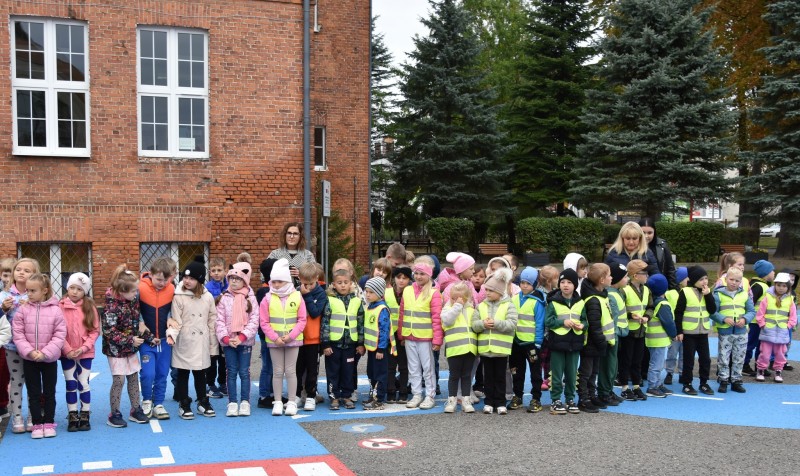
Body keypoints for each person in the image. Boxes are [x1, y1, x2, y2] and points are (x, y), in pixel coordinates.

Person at [12, 273, 66, 438]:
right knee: (33, 392)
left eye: (33, 290)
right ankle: (36, 424)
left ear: (44, 290)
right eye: (27, 290)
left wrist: (45, 353)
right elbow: (18, 334)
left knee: (49, 392)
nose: (29, 293)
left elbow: (60, 334)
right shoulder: (23, 310)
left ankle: (49, 422)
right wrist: (29, 351)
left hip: (49, 359)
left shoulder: (56, 310)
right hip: (30, 359)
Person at [102, 265, 153, 428]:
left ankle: (135, 409)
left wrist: (150, 338)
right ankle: (114, 413)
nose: (136, 294)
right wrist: (130, 339)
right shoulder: (111, 307)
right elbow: (109, 331)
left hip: (130, 349)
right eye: (132, 291)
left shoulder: (132, 302)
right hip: (115, 350)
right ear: (122, 291)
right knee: (119, 380)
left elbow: (137, 323)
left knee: (133, 377)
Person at [167, 260, 218, 420]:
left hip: (201, 341)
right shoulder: (179, 297)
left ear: (200, 280)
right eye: (185, 277)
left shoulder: (208, 297)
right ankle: (184, 402)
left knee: (200, 373)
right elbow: (176, 320)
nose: (187, 281)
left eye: (192, 278)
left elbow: (212, 320)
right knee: (182, 372)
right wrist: (171, 335)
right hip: (184, 340)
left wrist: (213, 345)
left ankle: (203, 401)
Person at [260, 259, 307, 416]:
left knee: (291, 371)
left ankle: (292, 401)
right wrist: (275, 338)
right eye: (274, 281)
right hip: (275, 342)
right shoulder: (267, 298)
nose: (277, 284)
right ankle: (278, 402)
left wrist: (291, 336)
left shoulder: (297, 296)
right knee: (278, 371)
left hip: (293, 341)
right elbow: (264, 322)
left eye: (280, 281)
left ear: (287, 280)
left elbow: (302, 320)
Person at [1, 257, 40, 433]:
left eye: (27, 270)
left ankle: (34, 415)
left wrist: (31, 307)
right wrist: (3, 309)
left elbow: (44, 317)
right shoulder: (4, 295)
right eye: (19, 269)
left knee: (33, 382)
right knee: (16, 382)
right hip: (12, 347)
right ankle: (17, 417)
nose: (22, 272)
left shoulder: (36, 294)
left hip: (33, 347)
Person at [216, 262, 260, 417]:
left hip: (244, 342)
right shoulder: (224, 298)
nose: (233, 281)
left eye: (237, 278)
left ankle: (245, 402)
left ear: (244, 281)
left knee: (244, 372)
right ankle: (233, 402)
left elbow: (254, 320)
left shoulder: (251, 298)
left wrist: (242, 337)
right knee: (231, 371)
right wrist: (227, 339)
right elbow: (219, 321)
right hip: (229, 343)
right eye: (231, 278)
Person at [399, 256, 443, 410]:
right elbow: (402, 313)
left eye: (422, 273)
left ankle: (429, 395)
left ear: (429, 275)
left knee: (428, 368)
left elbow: (437, 318)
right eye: (416, 273)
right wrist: (402, 334)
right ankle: (416, 393)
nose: (418, 276)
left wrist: (437, 340)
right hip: (410, 336)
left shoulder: (433, 293)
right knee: (413, 368)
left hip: (425, 338)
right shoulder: (408, 290)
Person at [472, 268, 516, 415]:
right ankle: (489, 402)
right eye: (486, 290)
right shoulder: (481, 306)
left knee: (501, 377)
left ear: (500, 291)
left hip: (501, 350)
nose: (487, 293)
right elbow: (474, 325)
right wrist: (483, 324)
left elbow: (512, 325)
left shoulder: (508, 305)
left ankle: (501, 402)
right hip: (485, 349)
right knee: (488, 378)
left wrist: (496, 323)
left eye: (491, 290)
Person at [59, 272, 99, 431]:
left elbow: (94, 331)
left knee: (83, 384)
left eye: (79, 289)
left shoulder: (90, 307)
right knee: (70, 384)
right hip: (66, 353)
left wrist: (83, 348)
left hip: (85, 353)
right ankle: (72, 414)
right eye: (72, 288)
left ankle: (85, 414)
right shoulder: (59, 306)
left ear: (85, 291)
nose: (75, 292)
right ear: (67, 288)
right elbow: (57, 330)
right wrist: (67, 349)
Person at [321, 266, 364, 410]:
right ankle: (334, 396)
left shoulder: (357, 301)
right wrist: (325, 344)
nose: (343, 285)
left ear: (351, 283)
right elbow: (325, 322)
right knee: (333, 371)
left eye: (346, 282)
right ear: (333, 284)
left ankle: (347, 395)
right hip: (334, 344)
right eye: (339, 282)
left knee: (348, 371)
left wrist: (360, 343)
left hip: (351, 344)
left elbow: (360, 323)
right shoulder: (330, 300)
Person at [138, 257, 175, 420]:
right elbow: (134, 310)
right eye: (158, 279)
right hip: (147, 341)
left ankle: (158, 403)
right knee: (148, 374)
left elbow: (174, 311)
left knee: (162, 373)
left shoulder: (172, 289)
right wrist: (141, 326)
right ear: (151, 274)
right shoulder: (140, 288)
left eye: (165, 280)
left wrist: (171, 320)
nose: (162, 283)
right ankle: (146, 400)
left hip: (165, 341)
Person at [545, 269, 585, 415]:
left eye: (569, 282)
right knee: (556, 373)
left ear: (575, 285)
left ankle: (570, 398)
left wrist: (583, 325)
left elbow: (585, 320)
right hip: (558, 343)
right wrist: (562, 322)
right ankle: (556, 399)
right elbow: (548, 321)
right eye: (562, 282)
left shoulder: (580, 302)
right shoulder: (553, 302)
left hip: (574, 343)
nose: (565, 285)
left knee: (572, 373)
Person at [711, 266, 754, 393]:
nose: (734, 283)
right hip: (725, 332)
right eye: (731, 279)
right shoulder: (718, 294)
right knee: (724, 357)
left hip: (741, 332)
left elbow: (751, 311)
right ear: (725, 279)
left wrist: (745, 319)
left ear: (741, 282)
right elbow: (713, 311)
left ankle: (736, 380)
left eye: (737, 280)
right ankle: (723, 379)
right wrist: (723, 319)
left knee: (739, 357)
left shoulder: (744, 295)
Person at [509, 267, 546, 413]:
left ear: (534, 285)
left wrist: (537, 342)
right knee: (516, 371)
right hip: (516, 342)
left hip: (531, 344)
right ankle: (517, 396)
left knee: (535, 373)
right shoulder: (514, 298)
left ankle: (536, 398)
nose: (524, 286)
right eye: (522, 282)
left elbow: (540, 323)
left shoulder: (538, 301)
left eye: (528, 283)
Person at [675, 266, 716, 395]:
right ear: (693, 280)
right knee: (689, 360)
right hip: (689, 333)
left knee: (705, 359)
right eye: (701, 279)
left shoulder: (707, 292)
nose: (704, 282)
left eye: (706, 278)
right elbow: (678, 313)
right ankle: (687, 384)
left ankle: (704, 383)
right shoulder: (685, 292)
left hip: (702, 332)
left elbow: (712, 310)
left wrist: (708, 295)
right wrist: (679, 331)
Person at [577, 264, 612, 413]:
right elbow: (594, 325)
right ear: (602, 280)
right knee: (586, 372)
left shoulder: (601, 295)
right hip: (591, 343)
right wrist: (601, 342)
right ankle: (583, 399)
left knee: (594, 372)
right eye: (609, 275)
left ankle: (591, 395)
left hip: (598, 343)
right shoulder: (593, 300)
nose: (612, 278)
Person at [441, 282, 477, 413]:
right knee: (454, 376)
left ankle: (466, 401)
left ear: (467, 298)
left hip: (469, 349)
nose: (456, 301)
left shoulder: (472, 311)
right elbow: (447, 320)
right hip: (454, 349)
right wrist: (457, 306)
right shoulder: (447, 310)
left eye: (460, 298)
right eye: (454, 298)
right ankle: (452, 401)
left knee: (466, 376)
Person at [618, 259, 652, 401]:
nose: (647, 276)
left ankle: (636, 386)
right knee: (626, 359)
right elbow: (619, 309)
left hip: (641, 330)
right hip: (629, 331)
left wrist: (646, 317)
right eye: (644, 273)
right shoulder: (624, 290)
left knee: (638, 360)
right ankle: (625, 387)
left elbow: (650, 307)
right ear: (635, 275)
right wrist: (630, 315)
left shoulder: (647, 290)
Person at [755, 272, 797, 383]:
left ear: (788, 287)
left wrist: (789, 326)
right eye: (779, 285)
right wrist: (762, 324)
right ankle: (761, 370)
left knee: (780, 353)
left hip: (782, 331)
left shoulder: (790, 300)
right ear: (775, 285)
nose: (781, 288)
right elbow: (760, 313)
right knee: (765, 353)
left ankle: (778, 371)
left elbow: (793, 316)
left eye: (784, 286)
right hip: (768, 330)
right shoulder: (767, 297)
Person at [296, 262, 326, 411]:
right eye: (305, 284)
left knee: (312, 370)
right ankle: (296, 395)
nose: (307, 287)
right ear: (300, 279)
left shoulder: (320, 294)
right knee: (298, 369)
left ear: (316, 278)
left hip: (313, 339)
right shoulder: (296, 291)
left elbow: (315, 312)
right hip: (298, 337)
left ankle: (310, 396)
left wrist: (306, 295)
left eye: (311, 283)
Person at [598, 263, 629, 407]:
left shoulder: (617, 293)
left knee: (613, 366)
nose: (627, 279)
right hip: (611, 336)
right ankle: (604, 392)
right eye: (625, 276)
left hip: (616, 335)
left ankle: (608, 390)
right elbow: (612, 319)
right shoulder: (610, 295)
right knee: (608, 366)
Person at [362, 277, 394, 410]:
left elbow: (384, 330)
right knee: (371, 372)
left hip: (379, 350)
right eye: (366, 291)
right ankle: (373, 396)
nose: (367, 295)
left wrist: (381, 349)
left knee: (380, 373)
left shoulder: (382, 309)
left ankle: (379, 399)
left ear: (380, 293)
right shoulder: (371, 306)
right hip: (371, 348)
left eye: (371, 292)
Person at [644, 274, 676, 398]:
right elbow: (668, 322)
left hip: (652, 338)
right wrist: (673, 334)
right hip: (659, 339)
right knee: (656, 364)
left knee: (656, 363)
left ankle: (657, 383)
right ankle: (652, 386)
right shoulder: (663, 304)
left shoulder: (653, 302)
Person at [743, 260, 774, 376]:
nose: (774, 273)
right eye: (772, 271)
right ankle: (744, 365)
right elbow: (750, 303)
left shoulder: (764, 285)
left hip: (761, 322)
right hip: (755, 321)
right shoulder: (758, 286)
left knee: (761, 345)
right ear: (765, 273)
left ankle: (759, 366)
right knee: (751, 343)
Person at [387, 266, 412, 403]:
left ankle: (403, 392)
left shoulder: (411, 293)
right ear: (394, 278)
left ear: (409, 280)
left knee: (403, 365)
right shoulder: (387, 293)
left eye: (405, 278)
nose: (401, 281)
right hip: (390, 334)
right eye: (399, 277)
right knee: (390, 365)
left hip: (404, 334)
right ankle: (390, 391)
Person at [205, 257, 228, 400]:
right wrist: (219, 297)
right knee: (213, 357)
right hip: (213, 328)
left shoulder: (229, 285)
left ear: (225, 271)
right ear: (209, 272)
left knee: (224, 358)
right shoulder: (207, 288)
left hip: (226, 327)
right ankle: (210, 384)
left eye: (219, 270)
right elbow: (208, 305)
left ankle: (223, 382)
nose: (216, 273)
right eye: (213, 271)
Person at [255, 258, 277, 408]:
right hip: (267, 335)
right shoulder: (264, 292)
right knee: (268, 366)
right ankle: (264, 395)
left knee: (273, 366)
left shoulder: (265, 290)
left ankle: (271, 392)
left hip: (272, 334)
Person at [268, 222, 317, 287]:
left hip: (302, 293)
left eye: (295, 234)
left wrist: (301, 274)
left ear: (300, 236)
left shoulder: (308, 255)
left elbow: (314, 277)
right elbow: (264, 276)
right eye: (289, 233)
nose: (291, 236)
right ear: (285, 235)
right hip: (280, 293)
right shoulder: (275, 254)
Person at [663, 267, 688, 385]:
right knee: (672, 352)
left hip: (687, 327)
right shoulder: (671, 293)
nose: (688, 279)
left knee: (684, 352)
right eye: (686, 277)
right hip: (675, 328)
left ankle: (682, 373)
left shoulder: (690, 292)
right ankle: (669, 373)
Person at [638, 218, 677, 289]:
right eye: (643, 233)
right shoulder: (633, 246)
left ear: (654, 232)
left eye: (649, 233)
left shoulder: (662, 245)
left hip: (660, 286)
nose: (646, 236)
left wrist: (673, 289)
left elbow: (670, 269)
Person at [0, 257, 15, 419]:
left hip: (19, 340)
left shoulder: (23, 293)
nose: (7, 279)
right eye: (5, 275)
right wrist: (3, 308)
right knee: (2, 374)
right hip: (5, 342)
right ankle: (3, 404)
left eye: (10, 274)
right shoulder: (2, 295)